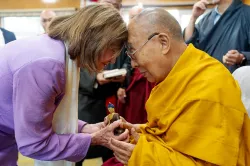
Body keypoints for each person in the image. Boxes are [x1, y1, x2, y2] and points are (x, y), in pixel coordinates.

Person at [105, 8, 250, 166]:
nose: (133, 64)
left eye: (133, 52)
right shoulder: (175, 76)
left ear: (163, 43)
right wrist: (134, 131)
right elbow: (169, 135)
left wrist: (141, 155)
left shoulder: (210, 84)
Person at [0, 4, 129, 166]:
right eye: (113, 50)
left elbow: (45, 114)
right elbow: (33, 144)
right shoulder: (47, 65)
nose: (113, 60)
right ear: (98, 40)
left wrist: (86, 128)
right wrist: (93, 139)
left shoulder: (62, 51)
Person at [76, 1, 131, 166]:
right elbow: (77, 61)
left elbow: (127, 60)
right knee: (80, 145)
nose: (113, 7)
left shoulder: (122, 31)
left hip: (110, 96)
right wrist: (94, 78)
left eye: (117, 4)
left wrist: (123, 78)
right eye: (109, 3)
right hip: (87, 99)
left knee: (111, 143)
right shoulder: (88, 29)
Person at [184, 0, 250, 73]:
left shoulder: (247, 14)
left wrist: (242, 57)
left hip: (234, 78)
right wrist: (193, 18)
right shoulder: (206, 19)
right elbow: (189, 45)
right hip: (207, 77)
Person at [116, 5, 154, 124]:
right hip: (133, 83)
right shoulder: (127, 35)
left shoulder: (152, 34)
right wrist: (123, 86)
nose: (134, 20)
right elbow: (128, 62)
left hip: (149, 79)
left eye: (137, 17)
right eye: (131, 17)